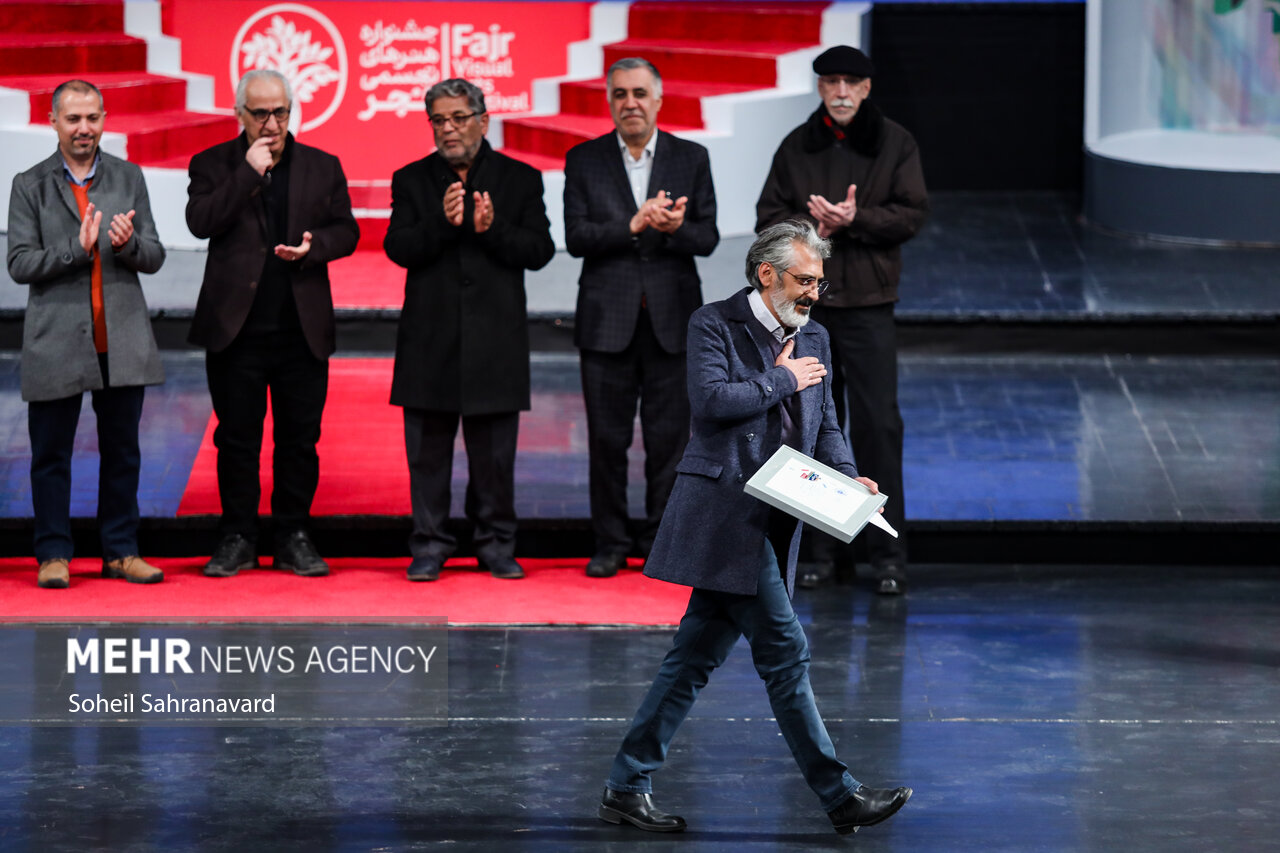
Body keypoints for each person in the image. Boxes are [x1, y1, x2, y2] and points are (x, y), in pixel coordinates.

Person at [597, 221, 912, 835]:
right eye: (803, 280)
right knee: (785, 652)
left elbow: (826, 427)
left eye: (819, 282)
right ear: (766, 273)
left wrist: (851, 481)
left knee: (690, 661)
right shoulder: (713, 323)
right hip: (725, 513)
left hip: (776, 516)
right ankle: (838, 794)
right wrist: (782, 380)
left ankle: (625, 784)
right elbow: (712, 401)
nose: (813, 293)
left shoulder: (815, 334)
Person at [756, 45, 928, 595]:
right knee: (814, 430)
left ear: (867, 88)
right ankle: (821, 550)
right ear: (821, 87)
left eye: (852, 82)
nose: (842, 91)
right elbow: (768, 218)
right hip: (812, 315)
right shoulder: (796, 146)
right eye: (832, 81)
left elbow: (911, 213)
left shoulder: (896, 143)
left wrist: (857, 219)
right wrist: (813, 231)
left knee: (879, 429)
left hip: (871, 308)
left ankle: (887, 554)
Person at [186, 68, 359, 579]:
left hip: (300, 329)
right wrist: (247, 173)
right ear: (240, 115)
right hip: (235, 330)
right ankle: (237, 536)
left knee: (299, 440)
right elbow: (202, 222)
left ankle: (293, 535)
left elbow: (346, 230)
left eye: (280, 111)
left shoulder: (323, 167)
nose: (272, 122)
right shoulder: (213, 164)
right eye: (260, 112)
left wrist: (314, 249)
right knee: (236, 439)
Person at [384, 78, 555, 582]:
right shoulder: (411, 179)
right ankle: (430, 545)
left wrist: (492, 230)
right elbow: (398, 248)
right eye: (439, 119)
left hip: (495, 343)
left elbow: (539, 251)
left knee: (494, 460)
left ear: (484, 119)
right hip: (429, 340)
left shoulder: (520, 179)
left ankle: (496, 543)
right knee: (428, 456)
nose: (448, 128)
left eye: (458, 117)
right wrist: (441, 223)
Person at [7, 79, 166, 590]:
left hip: (118, 338)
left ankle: (121, 550)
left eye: (92, 118)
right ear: (53, 122)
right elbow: (19, 263)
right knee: (50, 455)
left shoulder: (128, 176)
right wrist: (77, 250)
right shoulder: (29, 184)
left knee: (123, 453)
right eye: (73, 119)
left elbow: (155, 255)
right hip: (56, 340)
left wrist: (129, 244)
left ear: (104, 119)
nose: (84, 129)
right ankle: (53, 553)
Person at [563, 57, 719, 578]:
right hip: (607, 322)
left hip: (672, 323)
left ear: (658, 100)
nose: (630, 103)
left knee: (669, 443)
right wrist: (632, 224)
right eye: (620, 94)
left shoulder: (691, 157)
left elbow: (708, 238)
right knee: (606, 442)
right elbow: (577, 237)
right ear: (609, 102)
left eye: (639, 94)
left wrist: (674, 228)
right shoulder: (583, 160)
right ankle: (608, 542)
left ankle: (659, 541)